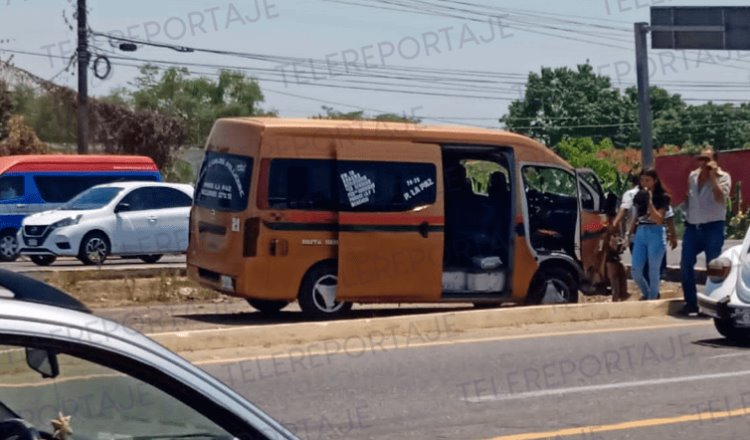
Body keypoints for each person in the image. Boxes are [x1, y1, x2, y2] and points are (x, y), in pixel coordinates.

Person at [680, 148, 731, 316]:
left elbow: (720, 198)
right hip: (693, 227)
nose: (703, 162)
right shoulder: (692, 176)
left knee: (713, 266)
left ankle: (711, 304)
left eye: (707, 159)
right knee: (686, 265)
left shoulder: (724, 177)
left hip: (713, 227)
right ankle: (691, 303)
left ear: (715, 160)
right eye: (701, 159)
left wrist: (712, 177)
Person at [631, 169, 671, 301]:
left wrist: (650, 202)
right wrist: (629, 233)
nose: (644, 183)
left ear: (655, 181)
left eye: (647, 180)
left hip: (656, 232)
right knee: (636, 271)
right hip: (641, 231)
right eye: (642, 180)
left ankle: (652, 298)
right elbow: (636, 215)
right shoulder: (639, 195)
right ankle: (647, 292)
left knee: (653, 270)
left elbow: (659, 219)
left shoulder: (663, 197)